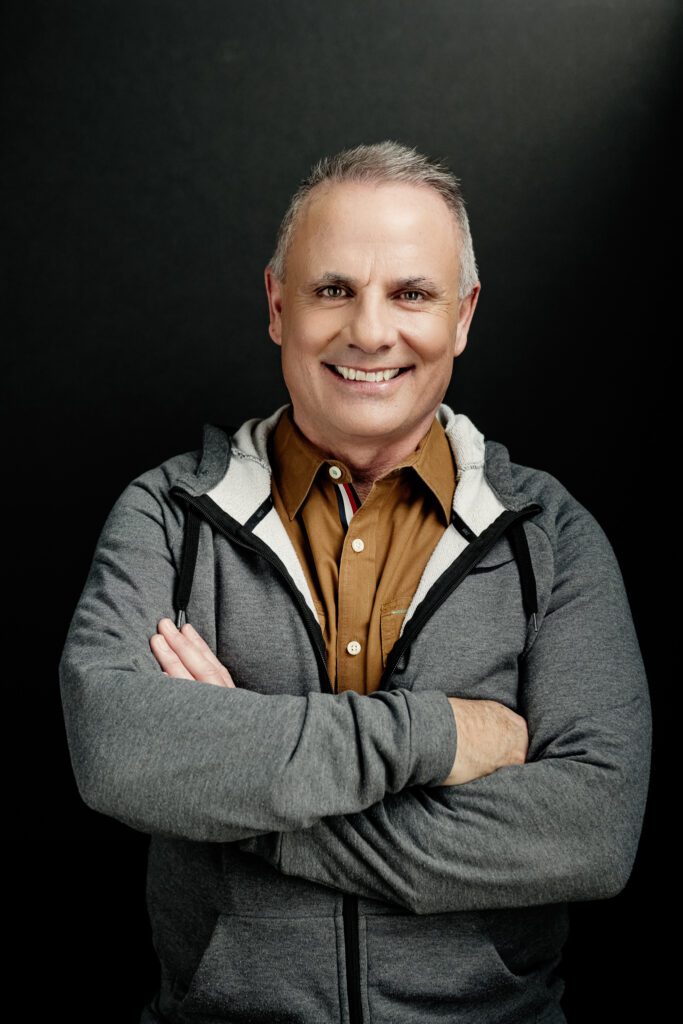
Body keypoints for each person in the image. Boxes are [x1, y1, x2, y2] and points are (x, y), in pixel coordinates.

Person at [58, 140, 652, 1024]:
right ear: (275, 304)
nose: (370, 331)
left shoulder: (550, 536)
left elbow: (590, 833)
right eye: (332, 289)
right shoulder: (169, 514)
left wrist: (239, 798)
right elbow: (115, 748)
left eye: (411, 293)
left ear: (462, 314)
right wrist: (438, 735)